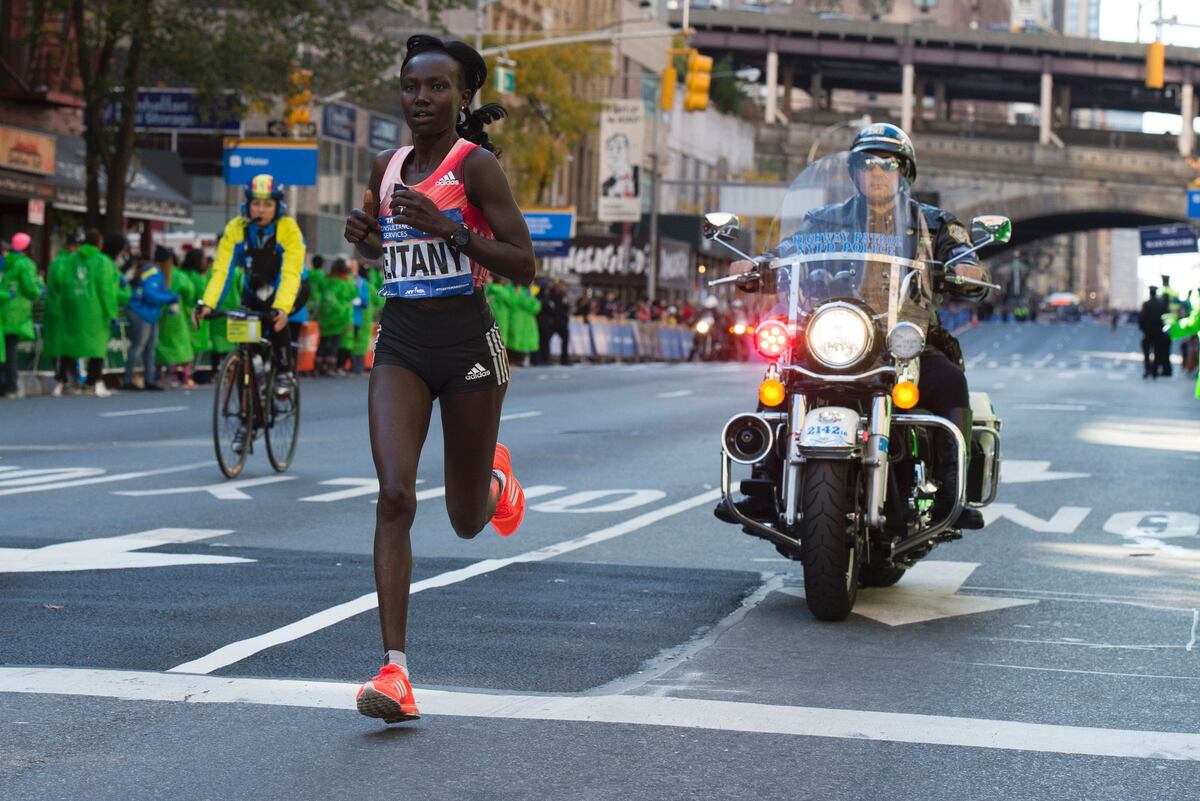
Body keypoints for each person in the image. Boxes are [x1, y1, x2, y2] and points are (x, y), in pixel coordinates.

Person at [342, 33, 535, 724]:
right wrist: (365, 234)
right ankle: (394, 671)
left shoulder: (475, 167)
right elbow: (391, 249)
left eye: (437, 87)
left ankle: (495, 482)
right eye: (411, 87)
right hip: (401, 341)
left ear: (461, 97)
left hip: (468, 346)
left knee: (464, 520)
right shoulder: (386, 166)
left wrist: (451, 228)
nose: (421, 98)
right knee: (394, 495)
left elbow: (523, 263)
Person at [731, 123, 989, 530]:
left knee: (950, 380)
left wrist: (967, 268)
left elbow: (963, 257)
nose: (877, 172)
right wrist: (757, 265)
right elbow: (787, 251)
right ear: (854, 171)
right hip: (835, 334)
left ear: (904, 172)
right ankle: (763, 481)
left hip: (904, 342)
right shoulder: (826, 220)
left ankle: (951, 491)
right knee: (781, 373)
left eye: (888, 164)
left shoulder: (932, 223)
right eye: (867, 164)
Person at [195, 173, 305, 398]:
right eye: (256, 203)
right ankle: (253, 372)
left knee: (277, 321)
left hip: (290, 287)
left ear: (278, 206)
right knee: (245, 340)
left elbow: (290, 273)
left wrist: (282, 307)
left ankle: (284, 372)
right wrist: (207, 304)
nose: (261, 210)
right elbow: (222, 271)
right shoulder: (236, 228)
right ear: (248, 204)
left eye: (268, 204)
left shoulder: (289, 229)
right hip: (253, 289)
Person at [62, 229, 118, 397]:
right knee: (97, 347)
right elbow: (106, 289)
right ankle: (91, 381)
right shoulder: (102, 261)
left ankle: (68, 379)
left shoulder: (71, 259)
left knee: (72, 344)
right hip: (95, 310)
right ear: (99, 243)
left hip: (73, 307)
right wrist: (111, 312)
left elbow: (64, 282)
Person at [124, 248, 179, 391]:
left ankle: (149, 379)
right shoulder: (155, 273)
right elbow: (150, 294)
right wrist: (170, 298)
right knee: (138, 347)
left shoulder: (154, 272)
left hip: (150, 315)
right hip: (143, 313)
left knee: (150, 349)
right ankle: (128, 380)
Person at [1, 232, 44, 398]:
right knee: (11, 349)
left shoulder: (5, 261)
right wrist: (39, 290)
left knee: (3, 349)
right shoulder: (25, 264)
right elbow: (29, 288)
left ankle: (4, 384)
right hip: (17, 312)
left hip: (3, 309)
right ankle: (11, 387)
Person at [44, 230, 82, 396]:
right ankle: (64, 379)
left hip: (59, 308)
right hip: (63, 309)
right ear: (72, 247)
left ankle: (66, 379)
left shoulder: (59, 261)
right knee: (66, 346)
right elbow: (63, 283)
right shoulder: (65, 262)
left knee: (63, 346)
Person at [155, 246, 197, 388]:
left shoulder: (154, 273)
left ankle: (161, 375)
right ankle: (181, 376)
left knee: (160, 345)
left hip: (158, 314)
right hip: (176, 315)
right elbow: (190, 292)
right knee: (180, 345)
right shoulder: (179, 275)